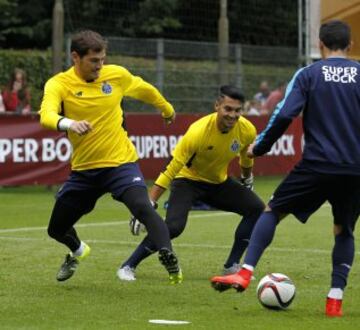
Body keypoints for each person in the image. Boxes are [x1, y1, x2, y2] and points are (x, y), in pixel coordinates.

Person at [211, 20, 360, 318]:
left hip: (317, 164)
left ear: (320, 44)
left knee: (273, 211)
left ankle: (245, 272)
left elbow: (284, 114)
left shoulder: (308, 74)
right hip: (355, 169)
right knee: (343, 231)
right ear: (351, 45)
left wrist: (260, 147)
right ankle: (334, 300)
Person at [38, 30, 182, 284]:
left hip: (120, 164)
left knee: (142, 206)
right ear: (75, 57)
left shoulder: (116, 75)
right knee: (56, 229)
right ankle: (78, 251)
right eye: (94, 61)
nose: (100, 66)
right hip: (84, 171)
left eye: (102, 59)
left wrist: (167, 109)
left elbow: (144, 89)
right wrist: (69, 123)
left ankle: (168, 255)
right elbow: (46, 115)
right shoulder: (59, 83)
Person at [117, 85, 265, 282]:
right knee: (174, 227)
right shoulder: (198, 131)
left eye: (237, 110)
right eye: (227, 109)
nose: (232, 115)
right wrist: (148, 203)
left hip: (217, 182)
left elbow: (246, 157)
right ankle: (128, 265)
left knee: (256, 209)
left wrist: (247, 179)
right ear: (217, 106)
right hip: (187, 181)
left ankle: (231, 266)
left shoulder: (247, 129)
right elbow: (172, 167)